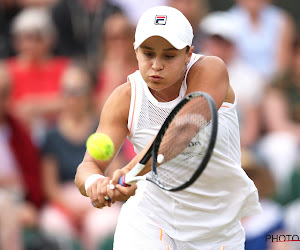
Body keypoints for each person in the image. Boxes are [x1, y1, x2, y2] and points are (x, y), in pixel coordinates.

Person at [75, 6, 262, 249]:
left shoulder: (211, 69)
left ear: (188, 53)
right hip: (150, 217)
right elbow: (88, 167)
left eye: (169, 56)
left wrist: (129, 172)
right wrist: (96, 184)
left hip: (217, 230)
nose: (156, 65)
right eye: (148, 53)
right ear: (135, 50)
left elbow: (182, 130)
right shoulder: (124, 98)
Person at [39, 63, 123, 250]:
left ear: (89, 94)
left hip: (99, 196)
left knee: (106, 223)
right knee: (52, 223)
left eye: (79, 91)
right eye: (68, 91)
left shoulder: (102, 130)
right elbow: (49, 186)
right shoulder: (51, 135)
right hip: (64, 200)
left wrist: (96, 201)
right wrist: (71, 209)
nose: (73, 98)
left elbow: (116, 172)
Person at [200, 11, 265, 148]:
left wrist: (232, 149)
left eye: (222, 43)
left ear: (233, 46)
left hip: (237, 147)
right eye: (214, 41)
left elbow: (251, 128)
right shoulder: (191, 69)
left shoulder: (249, 78)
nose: (217, 48)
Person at [6, 7, 70, 144]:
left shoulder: (64, 67)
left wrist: (33, 106)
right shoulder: (7, 70)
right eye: (23, 38)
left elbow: (73, 100)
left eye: (35, 37)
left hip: (58, 136)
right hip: (19, 136)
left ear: (49, 38)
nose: (29, 44)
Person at [228, 0, 296, 81]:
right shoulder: (226, 21)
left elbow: (283, 65)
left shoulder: (282, 20)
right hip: (238, 83)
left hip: (272, 84)